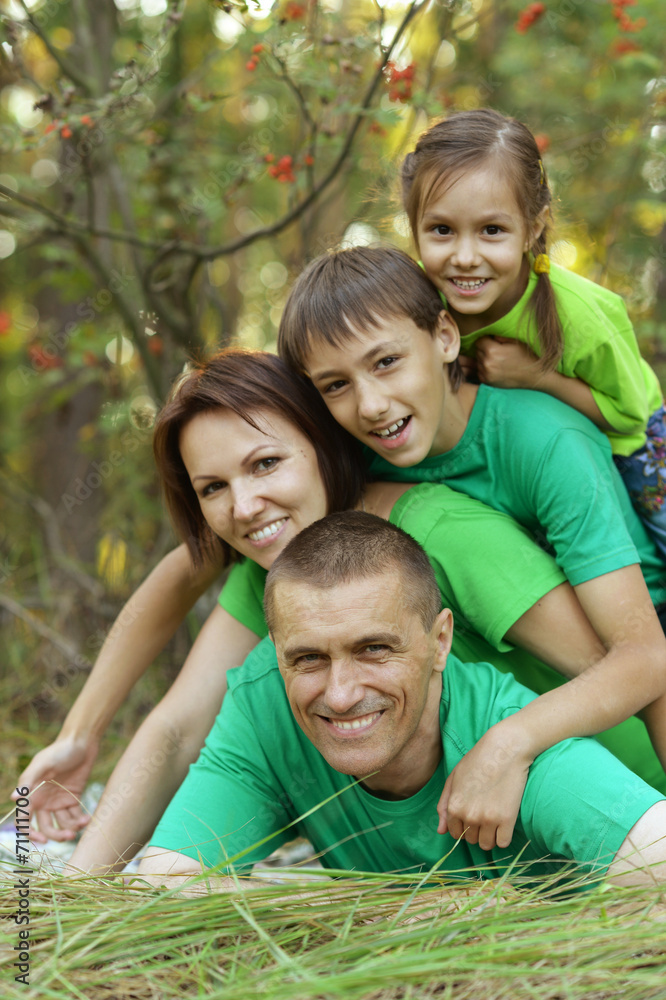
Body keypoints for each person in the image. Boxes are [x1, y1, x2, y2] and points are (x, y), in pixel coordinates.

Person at [33, 350, 663, 874]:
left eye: (266, 464)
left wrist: (513, 744)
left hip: (603, 811)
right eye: (213, 488)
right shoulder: (276, 568)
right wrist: (84, 894)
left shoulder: (444, 532)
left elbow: (636, 671)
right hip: (461, 844)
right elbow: (177, 728)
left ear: (323, 445)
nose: (245, 506)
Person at [277, 243, 666, 784]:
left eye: (386, 362)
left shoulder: (545, 441)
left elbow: (647, 657)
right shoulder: (359, 460)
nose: (370, 405)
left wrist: (513, 740)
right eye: (336, 385)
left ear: (444, 336)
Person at [137, 512, 666, 895]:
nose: (340, 694)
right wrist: (376, 918)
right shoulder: (265, 707)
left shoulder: (508, 738)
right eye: (308, 658)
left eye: (374, 650)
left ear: (440, 642)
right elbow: (161, 886)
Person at [400, 108, 666, 557]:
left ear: (532, 229)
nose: (465, 257)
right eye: (442, 230)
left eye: (492, 230)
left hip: (635, 449)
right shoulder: (419, 303)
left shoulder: (579, 314)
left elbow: (629, 417)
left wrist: (535, 377)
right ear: (415, 229)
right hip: (533, 458)